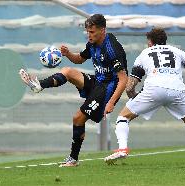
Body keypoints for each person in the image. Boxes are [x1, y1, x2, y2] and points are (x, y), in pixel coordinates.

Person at [19, 14, 128, 167]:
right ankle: (39, 85)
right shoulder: (92, 43)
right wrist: (68, 54)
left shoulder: (112, 49)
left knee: (78, 118)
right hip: (98, 82)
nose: (89, 35)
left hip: (107, 89)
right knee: (68, 71)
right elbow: (80, 59)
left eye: (92, 32)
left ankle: (73, 159)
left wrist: (110, 103)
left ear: (102, 30)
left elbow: (123, 79)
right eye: (87, 32)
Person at [104, 28, 185, 169]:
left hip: (153, 89)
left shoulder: (145, 53)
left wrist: (135, 98)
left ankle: (123, 148)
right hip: (177, 90)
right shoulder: (177, 51)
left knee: (123, 117)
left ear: (150, 42)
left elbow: (130, 86)